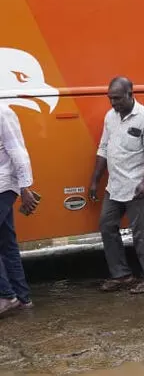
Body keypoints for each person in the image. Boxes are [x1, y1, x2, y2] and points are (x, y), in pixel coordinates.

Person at [89, 77, 144, 294]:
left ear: (130, 94)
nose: (113, 103)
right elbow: (103, 148)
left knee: (139, 233)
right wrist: (95, 180)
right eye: (110, 98)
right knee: (106, 225)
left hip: (136, 186)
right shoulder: (110, 117)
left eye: (117, 98)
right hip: (114, 186)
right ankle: (121, 275)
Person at [0, 104, 38, 314]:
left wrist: (25, 187)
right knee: (7, 243)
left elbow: (18, 151)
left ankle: (6, 296)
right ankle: (23, 298)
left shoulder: (3, 113)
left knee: (7, 243)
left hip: (4, 184)